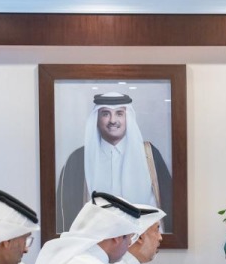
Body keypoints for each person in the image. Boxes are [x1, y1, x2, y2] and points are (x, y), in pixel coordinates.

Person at [56, 92, 172, 233]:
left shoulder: (149, 155)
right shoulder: (78, 159)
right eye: (105, 114)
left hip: (142, 243)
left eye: (119, 113)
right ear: (97, 119)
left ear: (127, 117)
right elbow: (66, 214)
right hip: (94, 246)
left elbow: (168, 206)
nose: (112, 120)